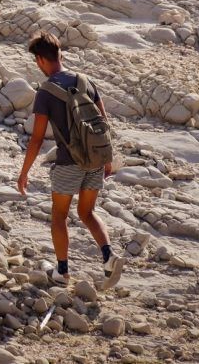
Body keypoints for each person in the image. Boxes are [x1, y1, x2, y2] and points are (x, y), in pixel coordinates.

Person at [16, 31, 124, 290]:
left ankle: (62, 272)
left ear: (41, 60)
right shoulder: (86, 81)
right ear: (60, 55)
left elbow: (37, 139)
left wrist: (24, 172)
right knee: (87, 213)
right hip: (95, 158)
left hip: (68, 162)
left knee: (59, 216)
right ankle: (109, 257)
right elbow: (104, 122)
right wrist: (107, 159)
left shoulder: (45, 91)